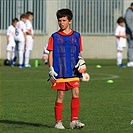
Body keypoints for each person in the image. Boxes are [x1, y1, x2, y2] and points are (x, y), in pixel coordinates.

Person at [47, 9, 86, 129]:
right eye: (59, 20)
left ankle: (74, 121)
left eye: (64, 20)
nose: (61, 23)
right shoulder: (54, 36)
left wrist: (82, 61)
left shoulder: (77, 35)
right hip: (60, 70)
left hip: (73, 70)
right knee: (60, 95)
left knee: (76, 92)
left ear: (70, 21)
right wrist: (51, 68)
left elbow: (79, 52)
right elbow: (50, 53)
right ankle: (58, 122)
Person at [124, 2, 133, 67]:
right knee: (131, 45)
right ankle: (130, 61)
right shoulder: (129, 13)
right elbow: (129, 23)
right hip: (130, 32)